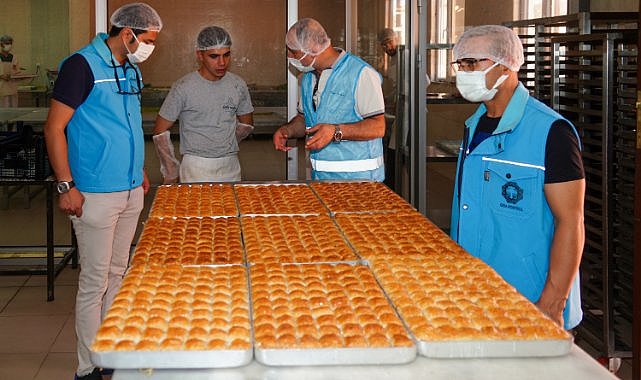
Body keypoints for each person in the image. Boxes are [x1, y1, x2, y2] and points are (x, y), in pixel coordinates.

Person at [43, 3, 162, 379]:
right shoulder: (80, 66)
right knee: (94, 281)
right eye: (148, 41)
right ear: (127, 34)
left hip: (129, 188)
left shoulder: (129, 67)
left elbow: (122, 124)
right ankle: (88, 366)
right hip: (94, 192)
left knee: (118, 273)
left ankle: (110, 352)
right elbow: (54, 128)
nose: (150, 48)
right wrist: (67, 185)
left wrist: (137, 169)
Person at [449, 25, 585, 330]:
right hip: (479, 294)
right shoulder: (474, 127)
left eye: (474, 63)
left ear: (506, 64)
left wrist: (551, 302)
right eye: (461, 64)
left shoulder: (551, 132)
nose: (465, 72)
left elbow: (571, 222)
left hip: (530, 297)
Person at [273, 18, 386, 181]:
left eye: (293, 51)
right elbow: (305, 120)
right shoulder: (307, 79)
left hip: (361, 183)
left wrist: (336, 131)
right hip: (321, 180)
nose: (290, 56)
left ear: (311, 47)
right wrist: (287, 130)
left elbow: (378, 126)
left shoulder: (360, 74)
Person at [152, 26, 254, 183]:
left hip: (231, 165)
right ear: (200, 55)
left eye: (226, 55)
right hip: (196, 167)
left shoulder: (237, 84)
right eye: (214, 56)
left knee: (230, 208)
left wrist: (224, 143)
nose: (222, 62)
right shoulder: (183, 87)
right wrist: (171, 171)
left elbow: (247, 124)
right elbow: (160, 131)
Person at [0, 35, 20, 107]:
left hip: (12, 88)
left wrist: (14, 76)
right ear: (1, 44)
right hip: (2, 89)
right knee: (3, 111)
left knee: (13, 109)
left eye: (10, 43)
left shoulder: (14, 57)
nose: (9, 45)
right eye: (7, 43)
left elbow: (16, 71)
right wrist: (2, 76)